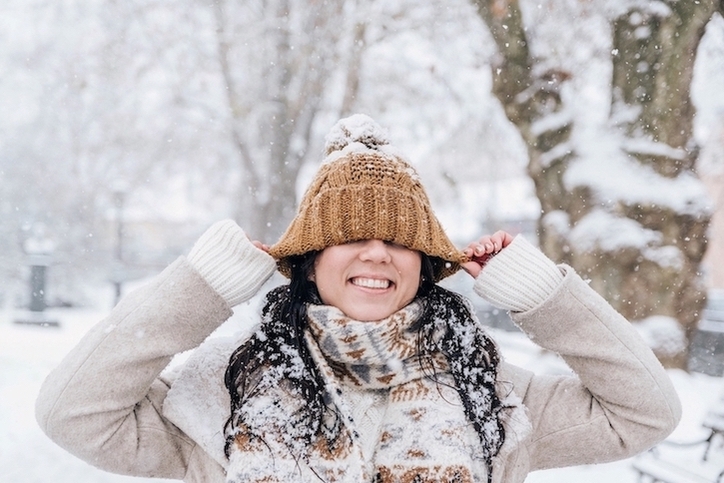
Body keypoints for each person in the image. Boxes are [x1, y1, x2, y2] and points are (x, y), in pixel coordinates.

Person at [36, 114, 681, 483]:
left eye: (399, 241)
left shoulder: (490, 392)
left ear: (423, 266)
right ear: (310, 261)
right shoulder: (222, 391)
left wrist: (544, 297)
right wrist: (199, 290)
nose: (376, 254)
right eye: (349, 237)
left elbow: (645, 413)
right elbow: (73, 413)